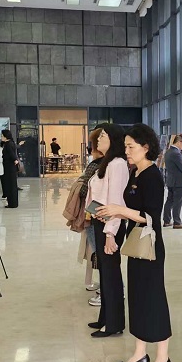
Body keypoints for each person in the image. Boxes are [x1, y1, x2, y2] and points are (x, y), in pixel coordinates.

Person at [97, 124, 173, 362]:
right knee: (138, 298)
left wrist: (119, 210)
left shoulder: (153, 176)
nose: (127, 151)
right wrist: (114, 213)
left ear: (146, 147)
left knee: (153, 299)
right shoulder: (135, 173)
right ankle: (140, 352)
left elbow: (151, 217)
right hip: (135, 243)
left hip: (149, 245)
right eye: (126, 146)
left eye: (131, 147)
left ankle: (162, 357)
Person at [85, 124, 130, 338]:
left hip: (109, 225)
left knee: (111, 275)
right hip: (100, 221)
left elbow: (117, 200)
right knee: (104, 273)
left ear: (113, 139)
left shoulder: (118, 164)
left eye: (103, 135)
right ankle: (105, 318)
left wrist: (110, 233)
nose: (98, 139)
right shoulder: (108, 162)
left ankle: (114, 323)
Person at [76, 128, 104, 298]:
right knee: (99, 252)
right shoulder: (110, 164)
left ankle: (110, 288)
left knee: (98, 252)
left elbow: (84, 191)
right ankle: (105, 284)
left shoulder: (96, 166)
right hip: (101, 216)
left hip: (95, 215)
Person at [163, 135, 182, 229]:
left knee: (169, 201)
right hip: (178, 182)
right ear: (178, 142)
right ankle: (177, 222)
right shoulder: (176, 153)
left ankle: (166, 220)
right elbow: (181, 166)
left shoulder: (168, 152)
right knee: (178, 202)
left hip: (170, 180)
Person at [0, 130, 19, 208]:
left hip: (9, 167)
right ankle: (13, 203)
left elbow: (12, 154)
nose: (1, 137)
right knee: (12, 184)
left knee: (10, 185)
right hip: (10, 167)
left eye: (2, 136)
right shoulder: (11, 143)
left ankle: (12, 203)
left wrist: (15, 160)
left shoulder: (8, 144)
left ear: (5, 136)